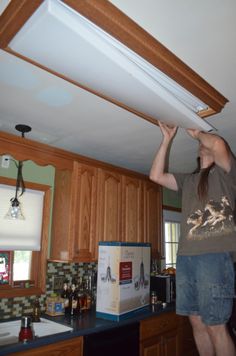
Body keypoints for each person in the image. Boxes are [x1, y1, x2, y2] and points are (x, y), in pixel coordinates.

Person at [149, 121, 236, 356]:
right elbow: (155, 175)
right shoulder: (188, 180)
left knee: (216, 325)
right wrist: (166, 140)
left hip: (214, 257)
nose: (204, 145)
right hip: (186, 258)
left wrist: (198, 132)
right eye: (201, 143)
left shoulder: (227, 175)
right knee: (196, 323)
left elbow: (218, 143)